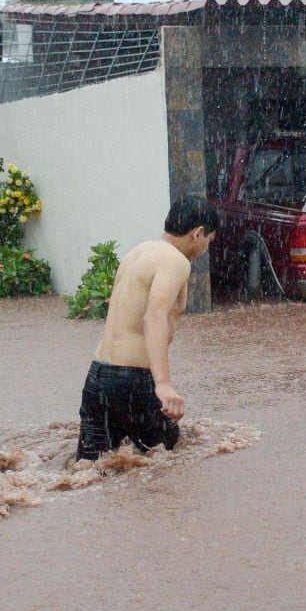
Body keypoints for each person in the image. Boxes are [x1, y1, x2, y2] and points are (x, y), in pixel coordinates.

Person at [75, 197, 221, 462]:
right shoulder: (175, 261)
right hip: (133, 381)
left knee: (91, 468)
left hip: (98, 378)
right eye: (209, 240)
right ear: (197, 233)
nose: (205, 248)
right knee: (174, 462)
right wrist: (163, 384)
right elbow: (154, 316)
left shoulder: (138, 252)